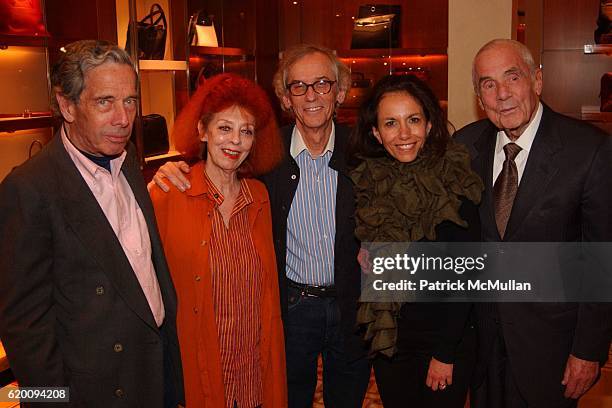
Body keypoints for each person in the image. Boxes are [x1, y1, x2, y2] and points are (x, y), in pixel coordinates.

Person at [152, 44, 371, 408]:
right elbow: (216, 168)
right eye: (299, 86)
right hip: (291, 309)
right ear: (285, 98)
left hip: (352, 307)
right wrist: (170, 170)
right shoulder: (269, 159)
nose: (312, 95)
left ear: (341, 90)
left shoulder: (366, 152)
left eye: (322, 84)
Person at [0, 40, 184, 407]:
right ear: (67, 106)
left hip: (150, 372)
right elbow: (23, 331)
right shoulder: (29, 188)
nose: (123, 118)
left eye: (130, 101)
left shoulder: (127, 159)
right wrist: (49, 403)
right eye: (105, 102)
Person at [455, 38, 612, 408]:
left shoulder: (588, 150)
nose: (502, 94)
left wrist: (588, 351)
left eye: (512, 78)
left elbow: (601, 261)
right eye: (488, 84)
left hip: (551, 349)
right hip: (483, 347)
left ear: (537, 81)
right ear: (479, 96)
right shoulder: (464, 147)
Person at [149, 73, 287, 408]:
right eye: (225, 128)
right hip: (200, 371)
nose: (235, 141)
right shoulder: (167, 195)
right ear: (202, 131)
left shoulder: (260, 197)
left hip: (253, 369)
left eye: (247, 131)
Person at [348, 74, 483, 407]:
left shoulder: (453, 181)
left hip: (443, 343)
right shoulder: (372, 183)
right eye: (391, 123)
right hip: (391, 341)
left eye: (413, 120)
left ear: (430, 125)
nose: (404, 134)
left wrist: (444, 353)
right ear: (376, 134)